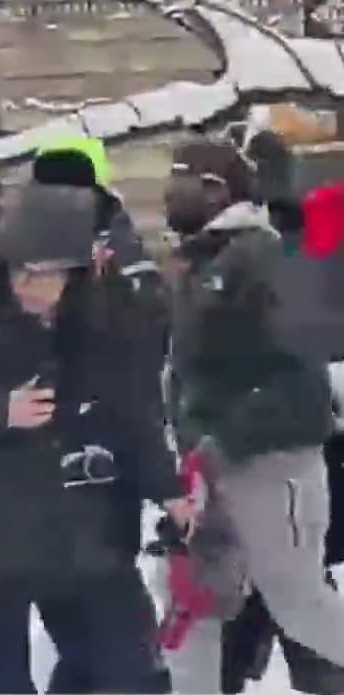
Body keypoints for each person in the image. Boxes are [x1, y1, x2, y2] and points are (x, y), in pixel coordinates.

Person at [0, 183, 188, 694]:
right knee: (1, 679)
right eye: (21, 271)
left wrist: (167, 488)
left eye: (46, 274)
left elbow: (132, 410)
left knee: (125, 670)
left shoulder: (105, 315)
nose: (31, 286)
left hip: (82, 528)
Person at [162, 137, 344, 692]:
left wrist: (227, 436)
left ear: (216, 188)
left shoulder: (262, 257)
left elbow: (303, 380)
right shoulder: (201, 260)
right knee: (191, 607)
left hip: (272, 462)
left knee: (299, 603)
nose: (167, 190)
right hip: (207, 469)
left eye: (178, 177)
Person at [30, 136, 175, 693]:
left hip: (99, 455)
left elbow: (131, 365)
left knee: (113, 626)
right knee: (80, 629)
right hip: (54, 462)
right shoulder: (52, 251)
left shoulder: (116, 261)